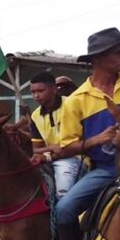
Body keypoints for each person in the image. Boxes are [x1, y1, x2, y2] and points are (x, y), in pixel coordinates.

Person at [56, 27, 120, 240]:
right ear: (98, 58)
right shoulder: (76, 101)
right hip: (106, 170)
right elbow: (66, 146)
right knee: (64, 210)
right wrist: (96, 140)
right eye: (118, 53)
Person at [27, 71, 82, 199]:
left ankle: (65, 212)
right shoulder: (35, 115)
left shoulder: (72, 104)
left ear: (54, 89)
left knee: (63, 194)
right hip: (52, 157)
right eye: (33, 92)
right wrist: (51, 148)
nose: (36, 96)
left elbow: (74, 146)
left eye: (41, 91)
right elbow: (36, 149)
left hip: (74, 158)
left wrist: (47, 155)